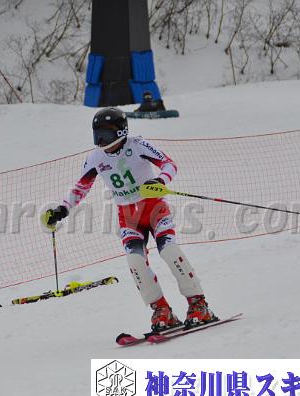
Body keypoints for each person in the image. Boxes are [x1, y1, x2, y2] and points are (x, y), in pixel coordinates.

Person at [42, 107, 217, 332]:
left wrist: (161, 181)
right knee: (135, 261)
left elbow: (169, 164)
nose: (101, 141)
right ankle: (162, 310)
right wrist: (63, 209)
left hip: (154, 210)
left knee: (169, 251)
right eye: (97, 135)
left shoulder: (138, 145)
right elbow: (81, 187)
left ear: (120, 131)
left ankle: (199, 304)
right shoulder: (95, 157)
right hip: (128, 217)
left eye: (106, 134)